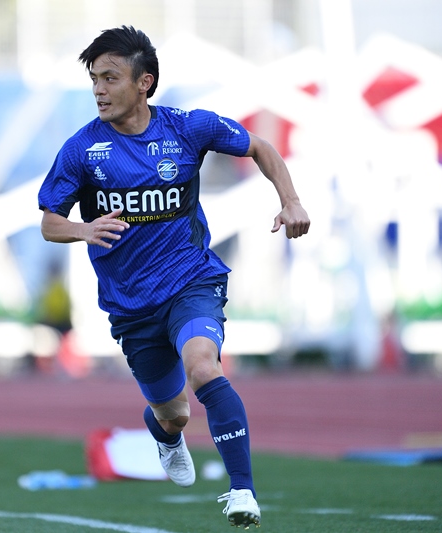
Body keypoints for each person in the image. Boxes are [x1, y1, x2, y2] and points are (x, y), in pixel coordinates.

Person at [37, 26, 310, 528]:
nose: (98, 89)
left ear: (144, 82)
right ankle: (165, 434)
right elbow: (50, 222)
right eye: (94, 79)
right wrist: (83, 229)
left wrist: (290, 200)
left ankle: (243, 491)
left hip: (191, 282)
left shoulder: (189, 128)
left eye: (110, 78)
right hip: (131, 305)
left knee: (204, 366)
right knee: (173, 413)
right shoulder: (82, 149)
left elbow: (261, 148)